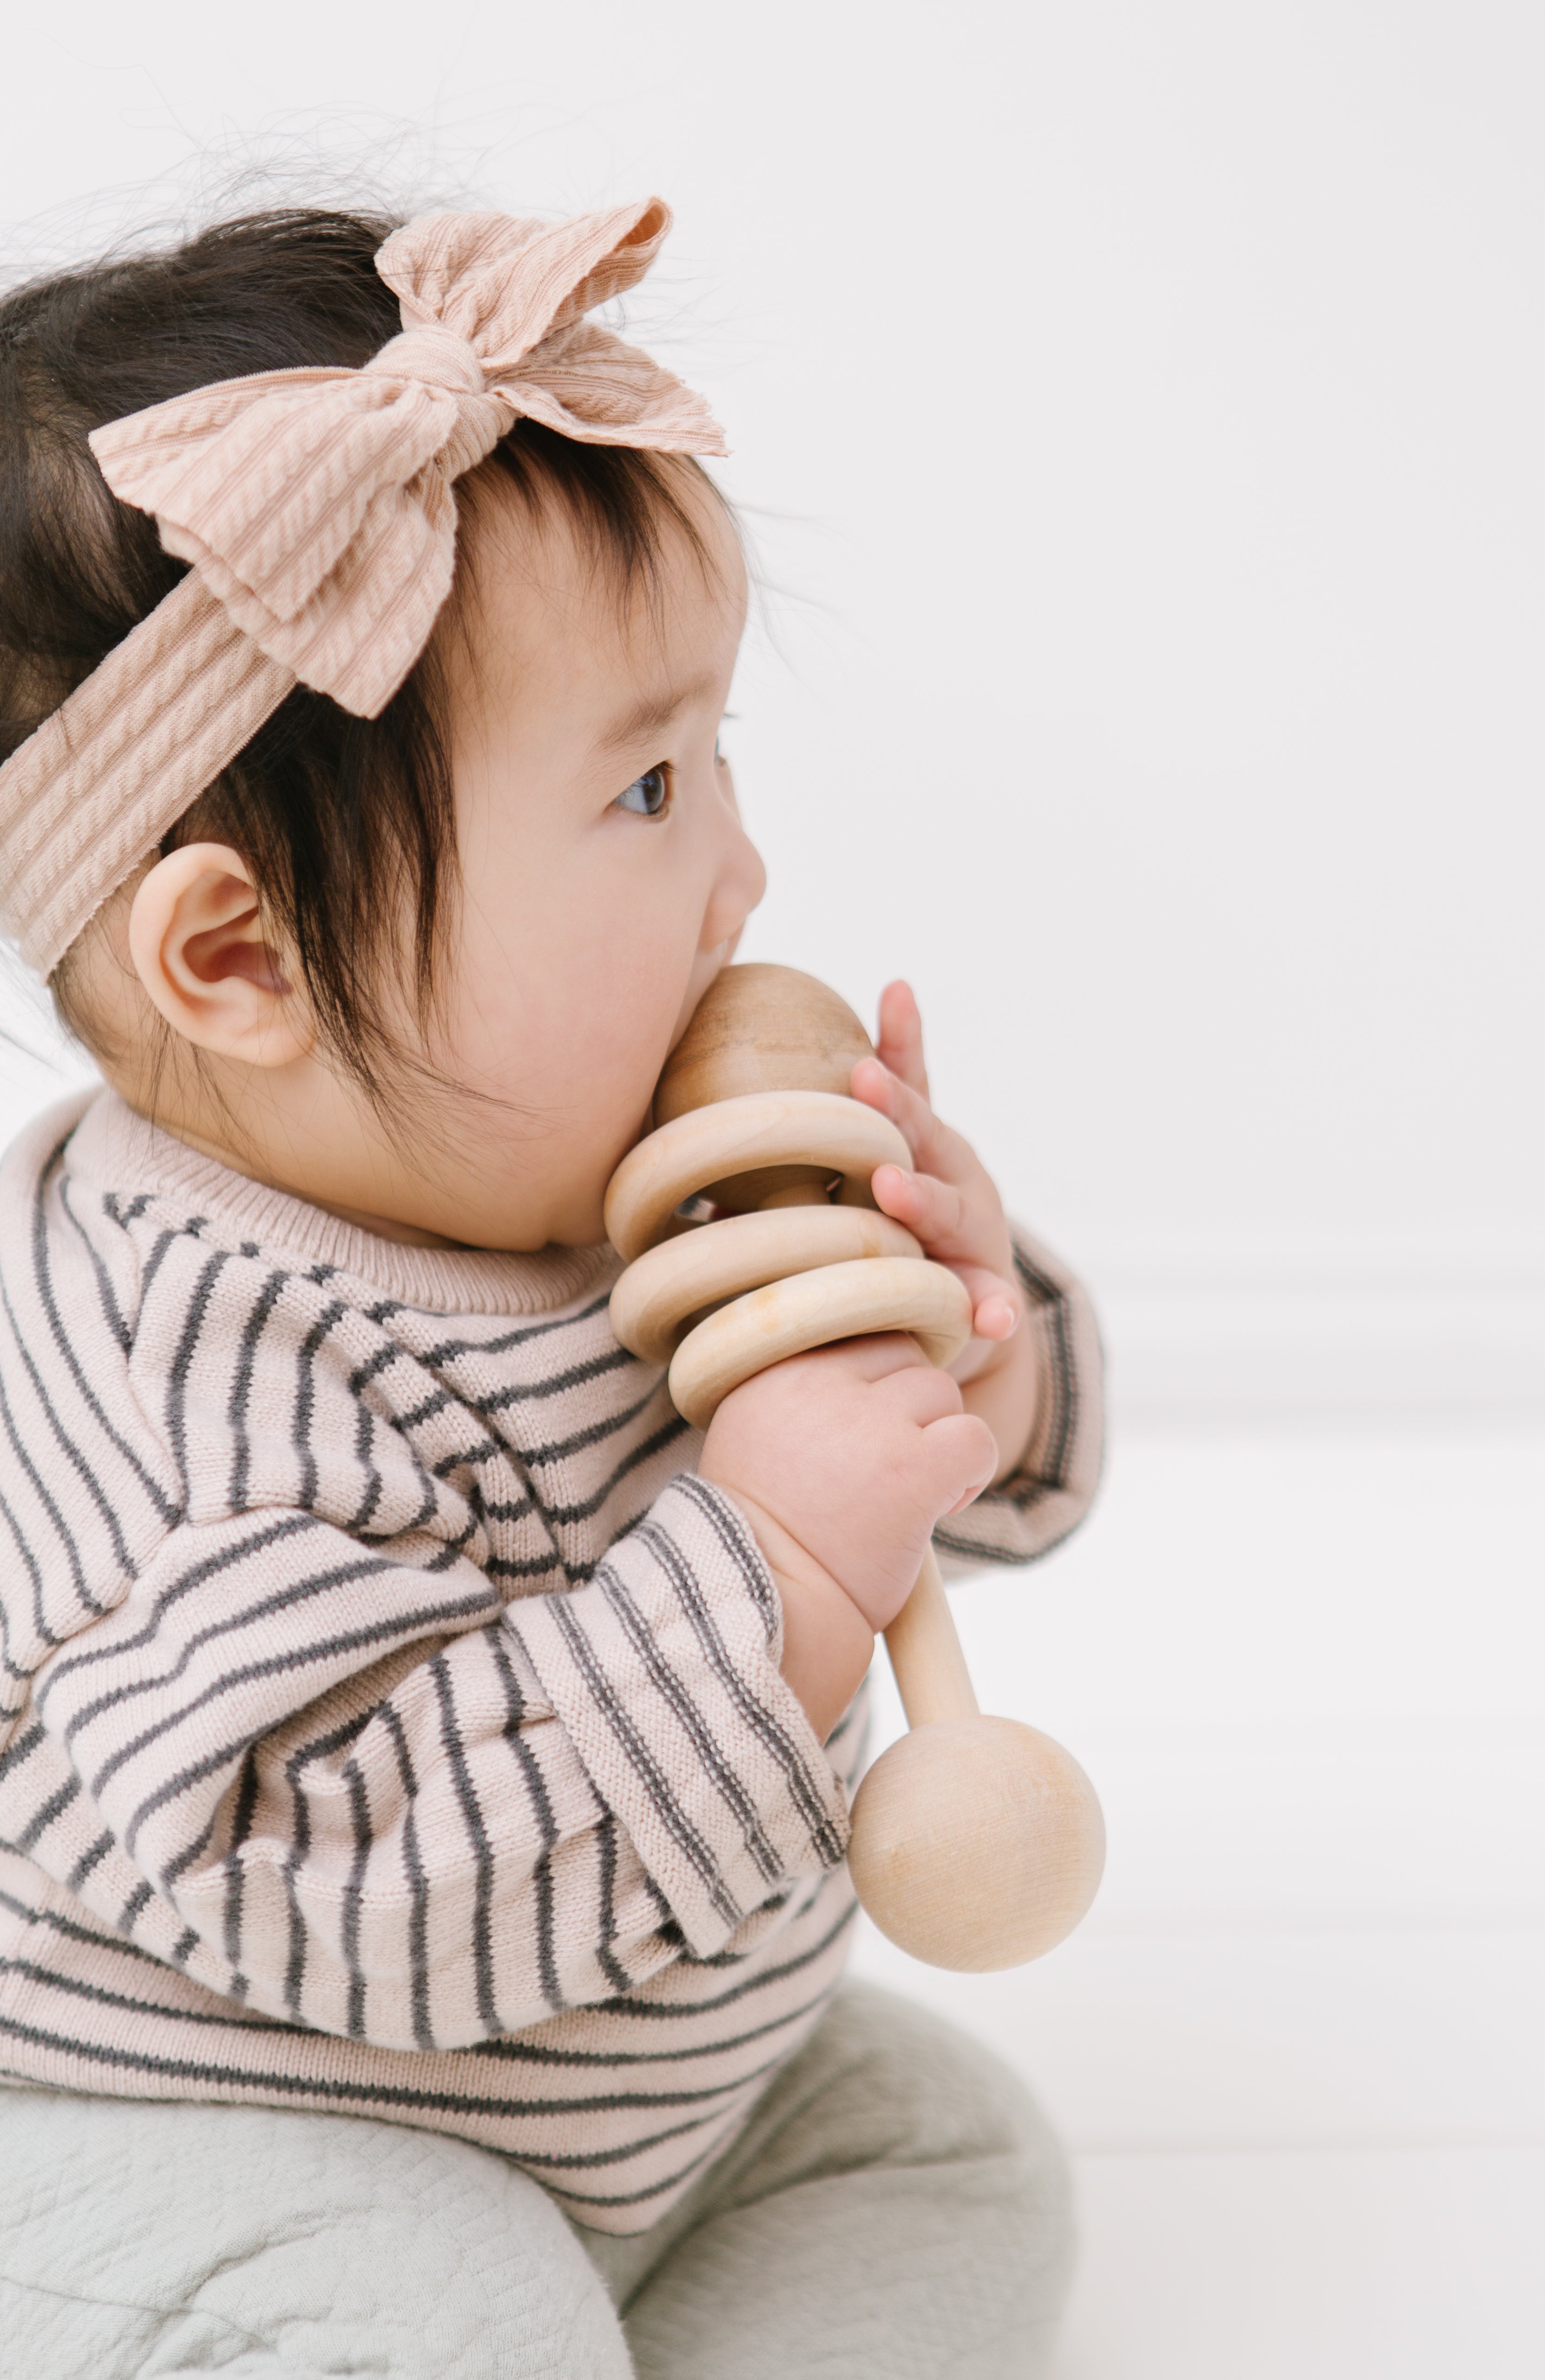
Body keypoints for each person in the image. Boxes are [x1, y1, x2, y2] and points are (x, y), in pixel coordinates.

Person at [0, 198, 1104, 2378]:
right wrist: (777, 1554)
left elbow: (967, 1496)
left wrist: (967, 1333)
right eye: (640, 785)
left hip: (627, 2099)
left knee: (944, 2152)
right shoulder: (185, 1386)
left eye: (709, 758)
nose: (746, 866)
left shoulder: (594, 1152)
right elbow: (351, 1896)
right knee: (425, 2315)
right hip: (177, 2136)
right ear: (239, 959)